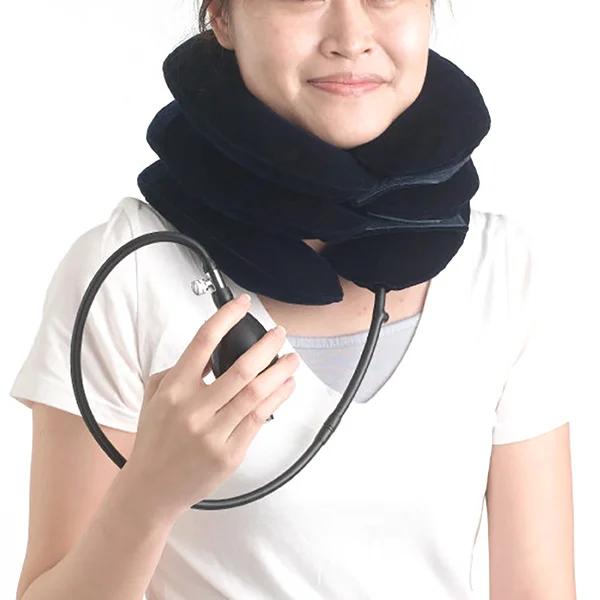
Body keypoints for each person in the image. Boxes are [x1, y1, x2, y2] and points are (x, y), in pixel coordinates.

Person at [10, 1, 577, 599]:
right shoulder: (127, 270)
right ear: (222, 17)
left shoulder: (501, 269)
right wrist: (148, 495)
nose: (351, 37)